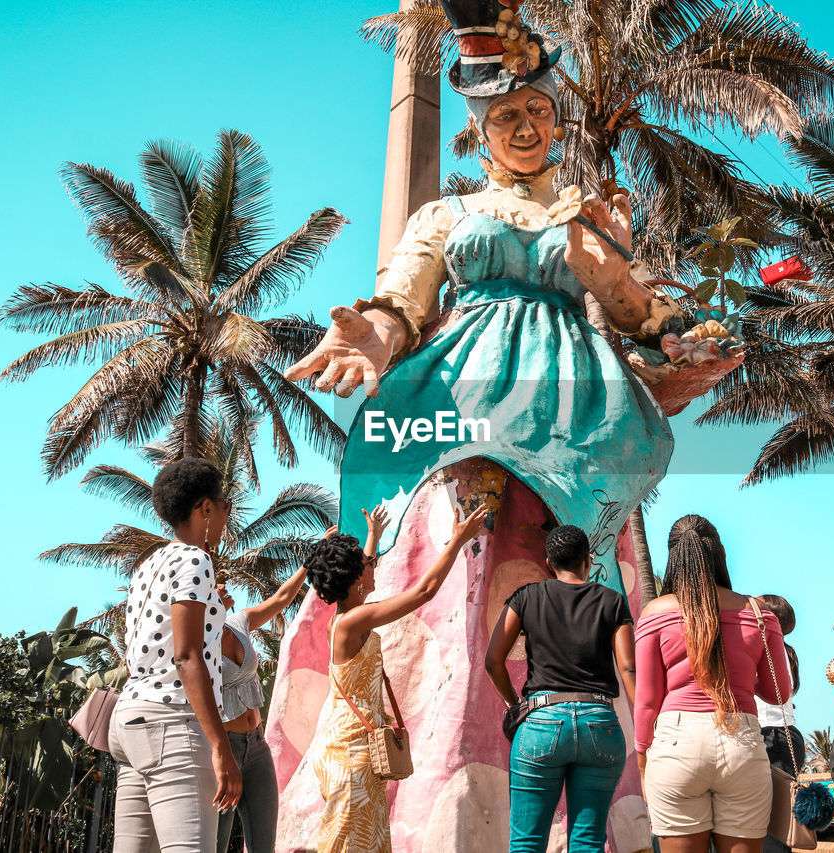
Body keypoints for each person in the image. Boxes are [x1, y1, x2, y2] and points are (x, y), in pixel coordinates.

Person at [268, 3, 739, 848]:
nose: (528, 127)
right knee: (456, 566)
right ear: (481, 134)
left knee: (579, 561)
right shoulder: (445, 218)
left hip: (578, 423)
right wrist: (368, 335)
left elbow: (639, 312)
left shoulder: (585, 219)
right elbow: (400, 307)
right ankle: (444, 795)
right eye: (508, 117)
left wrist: (684, 339)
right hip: (463, 401)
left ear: (558, 125)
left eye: (540, 113)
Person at [302, 502, 489, 853]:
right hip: (351, 752)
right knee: (350, 845)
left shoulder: (348, 615)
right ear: (357, 579)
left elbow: (362, 573)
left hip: (354, 746)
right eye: (370, 565)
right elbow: (424, 592)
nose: (374, 568)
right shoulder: (354, 621)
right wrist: (457, 540)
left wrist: (373, 537)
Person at [634, 515, 792, 853]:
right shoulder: (760, 614)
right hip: (742, 742)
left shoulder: (655, 613)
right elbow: (778, 693)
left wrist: (642, 761)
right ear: (720, 552)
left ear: (672, 556)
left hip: (676, 746)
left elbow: (647, 701)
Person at [109, 458, 242, 853]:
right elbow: (187, 656)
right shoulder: (195, 559)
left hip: (130, 722)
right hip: (173, 723)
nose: (225, 515)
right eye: (225, 506)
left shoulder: (148, 564)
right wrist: (221, 746)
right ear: (204, 508)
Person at [484, 525, 637, 853]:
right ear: (588, 560)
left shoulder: (525, 597)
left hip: (541, 720)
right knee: (588, 842)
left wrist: (517, 705)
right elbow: (627, 668)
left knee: (527, 843)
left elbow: (493, 660)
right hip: (600, 723)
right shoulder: (612, 601)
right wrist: (647, 731)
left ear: (549, 562)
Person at [212, 517, 360, 853]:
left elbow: (281, 598)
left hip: (256, 744)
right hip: (224, 747)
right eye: (214, 587)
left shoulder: (238, 623)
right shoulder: (196, 646)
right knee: (215, 844)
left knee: (265, 843)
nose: (223, 587)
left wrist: (311, 560)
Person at [751, 596, 804, 853]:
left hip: (772, 734)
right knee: (777, 825)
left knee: (772, 829)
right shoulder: (783, 648)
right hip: (781, 735)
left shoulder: (767, 645)